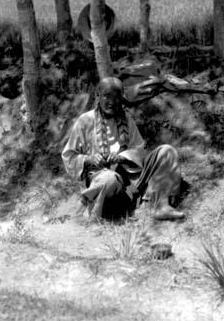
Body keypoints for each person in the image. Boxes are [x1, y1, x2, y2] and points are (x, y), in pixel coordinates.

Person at [62, 77, 186, 221]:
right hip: (103, 180)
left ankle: (161, 205)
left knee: (167, 151)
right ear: (98, 96)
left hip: (131, 180)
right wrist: (89, 159)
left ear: (121, 99)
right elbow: (68, 157)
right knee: (109, 179)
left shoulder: (126, 118)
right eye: (107, 96)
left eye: (116, 97)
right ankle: (99, 214)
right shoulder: (85, 121)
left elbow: (140, 150)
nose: (111, 102)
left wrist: (123, 157)